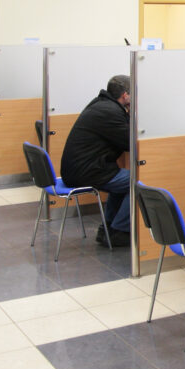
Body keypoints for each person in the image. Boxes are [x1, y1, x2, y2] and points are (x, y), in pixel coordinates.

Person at [60, 75, 132, 247]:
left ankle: (108, 228)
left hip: (80, 169)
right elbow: (130, 142)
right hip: (87, 172)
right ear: (125, 95)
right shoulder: (111, 112)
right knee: (137, 182)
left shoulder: (101, 104)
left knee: (123, 181)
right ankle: (120, 231)